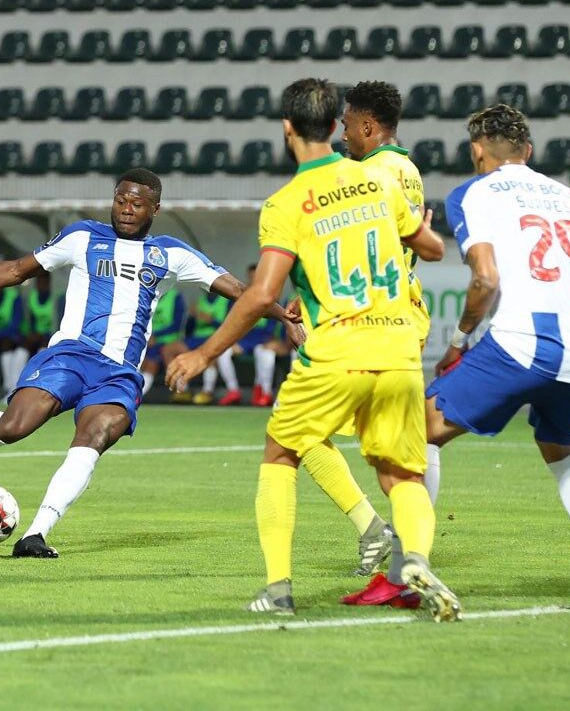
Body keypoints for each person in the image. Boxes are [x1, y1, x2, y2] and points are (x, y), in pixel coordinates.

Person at [166, 78, 458, 620]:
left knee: (281, 451)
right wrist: (419, 228)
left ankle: (278, 590)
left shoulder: (285, 204)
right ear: (332, 125)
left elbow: (261, 295)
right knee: (402, 474)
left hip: (338, 348)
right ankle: (413, 559)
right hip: (398, 344)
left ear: (288, 128)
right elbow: (434, 249)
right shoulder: (378, 181)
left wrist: (204, 354)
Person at [0, 168, 298, 558]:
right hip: (71, 355)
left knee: (92, 439)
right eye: (121, 200)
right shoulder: (82, 237)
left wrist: (285, 317)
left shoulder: (172, 254)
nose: (127, 209)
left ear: (155, 209)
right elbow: (16, 270)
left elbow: (241, 290)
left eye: (137, 204)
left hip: (119, 372)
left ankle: (35, 534)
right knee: (14, 427)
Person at [423, 104, 570, 609]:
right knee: (562, 449)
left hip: (522, 342)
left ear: (477, 150)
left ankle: (408, 568)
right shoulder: (568, 196)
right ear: (528, 151)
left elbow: (485, 279)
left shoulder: (473, 193)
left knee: (418, 431)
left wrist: (459, 341)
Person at [328, 81, 436, 598]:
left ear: (369, 125)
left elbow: (358, 249)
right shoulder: (407, 170)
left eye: (348, 123)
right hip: (404, 314)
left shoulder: (368, 175)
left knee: (299, 431)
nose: (342, 132)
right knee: (404, 445)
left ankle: (390, 546)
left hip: (369, 319)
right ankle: (404, 559)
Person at [182, 292, 240, 405]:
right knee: (174, 349)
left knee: (211, 353)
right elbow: (189, 328)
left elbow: (231, 325)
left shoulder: (227, 301)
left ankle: (207, 391)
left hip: (215, 337)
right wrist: (192, 316)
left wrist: (210, 320)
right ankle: (183, 390)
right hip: (197, 338)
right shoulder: (199, 301)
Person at [235, 263, 280, 407]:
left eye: (256, 276)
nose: (254, 279)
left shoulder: (272, 295)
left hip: (263, 339)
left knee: (265, 352)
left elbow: (272, 325)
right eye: (251, 276)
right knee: (224, 352)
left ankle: (265, 392)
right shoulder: (241, 295)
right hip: (245, 339)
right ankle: (233, 390)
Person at [0, 286, 30, 397]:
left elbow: (15, 325)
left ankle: (13, 389)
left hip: (16, 336)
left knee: (13, 345)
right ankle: (8, 388)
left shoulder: (13, 297)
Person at [139, 288, 185, 399]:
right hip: (148, 341)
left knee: (151, 364)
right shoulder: (147, 295)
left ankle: (182, 391)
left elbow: (177, 325)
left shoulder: (175, 297)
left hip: (167, 342)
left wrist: (155, 335)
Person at [24, 269, 59, 355]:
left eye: (44, 283)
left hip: (51, 334)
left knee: (44, 346)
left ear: (49, 283)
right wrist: (33, 333)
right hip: (36, 334)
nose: (41, 285)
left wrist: (46, 335)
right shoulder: (32, 296)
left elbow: (58, 322)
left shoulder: (56, 299)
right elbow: (31, 319)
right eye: (39, 282)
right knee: (23, 346)